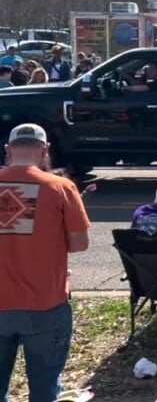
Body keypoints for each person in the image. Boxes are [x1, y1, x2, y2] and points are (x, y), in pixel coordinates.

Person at [0, 123, 90, 402]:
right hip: (46, 303)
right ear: (45, 151)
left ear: (8, 150)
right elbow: (79, 244)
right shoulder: (61, 187)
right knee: (45, 387)